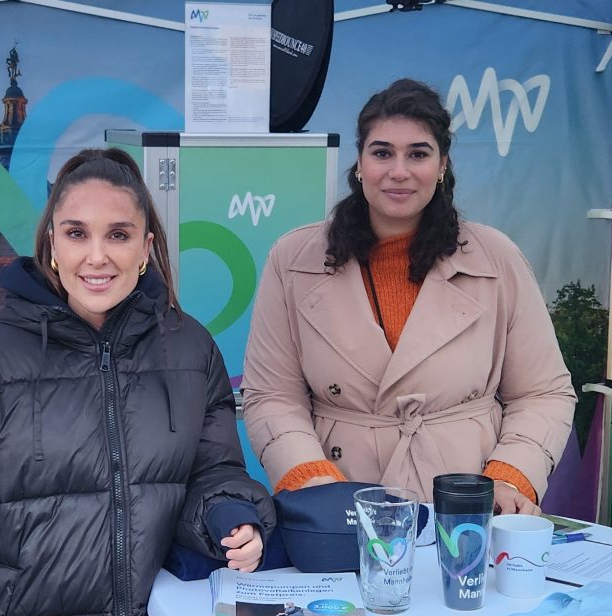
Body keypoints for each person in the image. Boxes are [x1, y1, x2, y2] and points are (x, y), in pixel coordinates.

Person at [0, 148, 275, 616]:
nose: (97, 256)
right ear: (51, 244)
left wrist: (229, 512)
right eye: (76, 233)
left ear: (145, 247)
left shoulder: (192, 351)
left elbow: (214, 470)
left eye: (118, 235)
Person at [241, 78, 575, 515]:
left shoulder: (497, 259)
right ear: (359, 163)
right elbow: (271, 394)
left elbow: (543, 392)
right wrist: (307, 474)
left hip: (466, 499)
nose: (399, 171)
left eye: (418, 153)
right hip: (341, 498)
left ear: (442, 165)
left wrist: (511, 474)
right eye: (382, 153)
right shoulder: (293, 259)